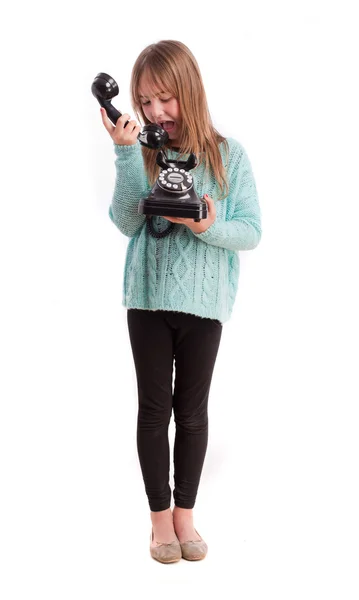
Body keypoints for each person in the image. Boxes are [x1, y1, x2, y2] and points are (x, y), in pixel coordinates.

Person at [100, 40, 261, 564]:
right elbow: (127, 221)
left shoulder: (228, 154)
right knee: (154, 411)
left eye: (164, 99)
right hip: (147, 301)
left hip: (204, 304)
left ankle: (186, 515)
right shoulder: (143, 151)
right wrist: (126, 153)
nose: (154, 112)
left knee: (191, 414)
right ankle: (158, 522)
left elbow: (251, 231)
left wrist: (207, 224)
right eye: (144, 102)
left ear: (188, 93)